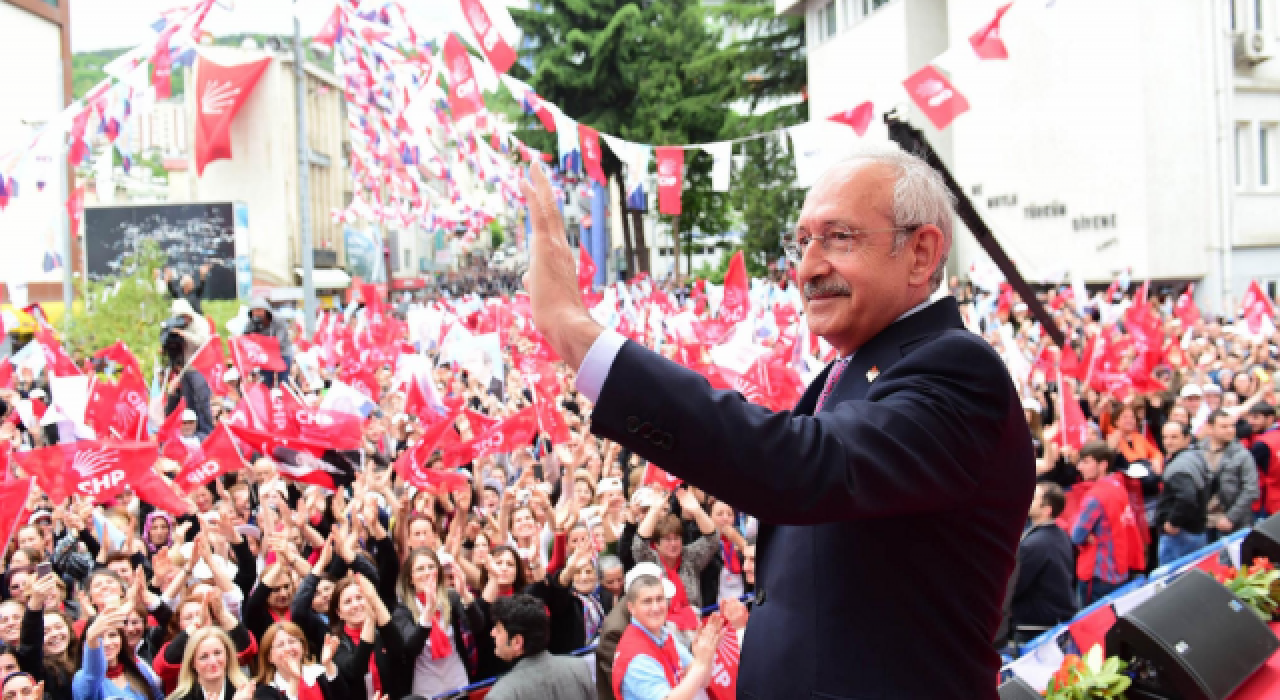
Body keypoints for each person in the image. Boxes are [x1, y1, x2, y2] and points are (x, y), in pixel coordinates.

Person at [520, 147, 1034, 696]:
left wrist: (581, 338)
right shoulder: (844, 374)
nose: (808, 267)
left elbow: (797, 465)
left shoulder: (957, 370)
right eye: (802, 242)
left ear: (920, 252)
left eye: (839, 237)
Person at [612, 567, 725, 700]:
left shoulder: (663, 634)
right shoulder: (636, 657)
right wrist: (701, 662)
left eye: (660, 599)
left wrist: (707, 654)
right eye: (647, 601)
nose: (656, 608)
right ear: (631, 608)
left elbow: (703, 681)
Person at [1068, 441, 1145, 606]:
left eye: (1086, 462)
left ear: (1102, 465)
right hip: (1120, 570)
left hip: (1098, 574)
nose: (1080, 467)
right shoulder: (1118, 486)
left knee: (1091, 625)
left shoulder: (1095, 497)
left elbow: (1076, 536)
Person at [485, 594, 594, 700]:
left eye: (498, 630)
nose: (492, 633)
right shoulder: (579, 668)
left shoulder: (501, 694)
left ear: (517, 642)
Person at [1011, 483, 1077, 635]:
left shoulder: (1034, 544)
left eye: (1033, 498)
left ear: (1047, 510)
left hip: (1035, 625)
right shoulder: (1059, 535)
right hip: (1053, 618)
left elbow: (1014, 587)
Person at [1154, 420, 1210, 566]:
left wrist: (1173, 522)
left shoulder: (1180, 466)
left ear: (1187, 438)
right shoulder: (1196, 457)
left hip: (1181, 536)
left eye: (1174, 437)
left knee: (1174, 584)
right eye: (1165, 437)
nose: (1168, 442)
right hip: (1196, 530)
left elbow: (1187, 498)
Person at [1200, 409, 1260, 539]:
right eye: (1224, 427)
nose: (1230, 430)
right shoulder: (1198, 451)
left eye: (1232, 426)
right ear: (1210, 428)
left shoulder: (1242, 454)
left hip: (1232, 523)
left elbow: (1251, 490)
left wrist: (1230, 517)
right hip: (1202, 523)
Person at [164, 627, 256, 700]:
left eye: (217, 653)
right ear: (192, 663)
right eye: (204, 657)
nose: (213, 661)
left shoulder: (249, 693)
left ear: (227, 655)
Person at [245, 299, 295, 388]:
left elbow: (279, 340)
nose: (257, 313)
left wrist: (261, 341)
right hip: (266, 355)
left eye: (260, 310)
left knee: (283, 379)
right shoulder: (251, 323)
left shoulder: (278, 320)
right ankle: (267, 398)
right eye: (254, 311)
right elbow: (245, 337)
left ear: (266, 311)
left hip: (282, 352)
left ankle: (283, 398)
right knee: (265, 379)